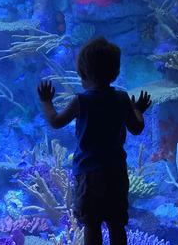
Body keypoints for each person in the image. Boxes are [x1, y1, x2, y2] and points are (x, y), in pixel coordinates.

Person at [36, 37, 152, 245]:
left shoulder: (81, 101)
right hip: (115, 172)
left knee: (91, 222)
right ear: (115, 73)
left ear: (84, 74)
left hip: (88, 174)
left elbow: (55, 121)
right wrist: (139, 110)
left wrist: (46, 101)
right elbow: (136, 128)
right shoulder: (122, 98)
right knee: (116, 222)